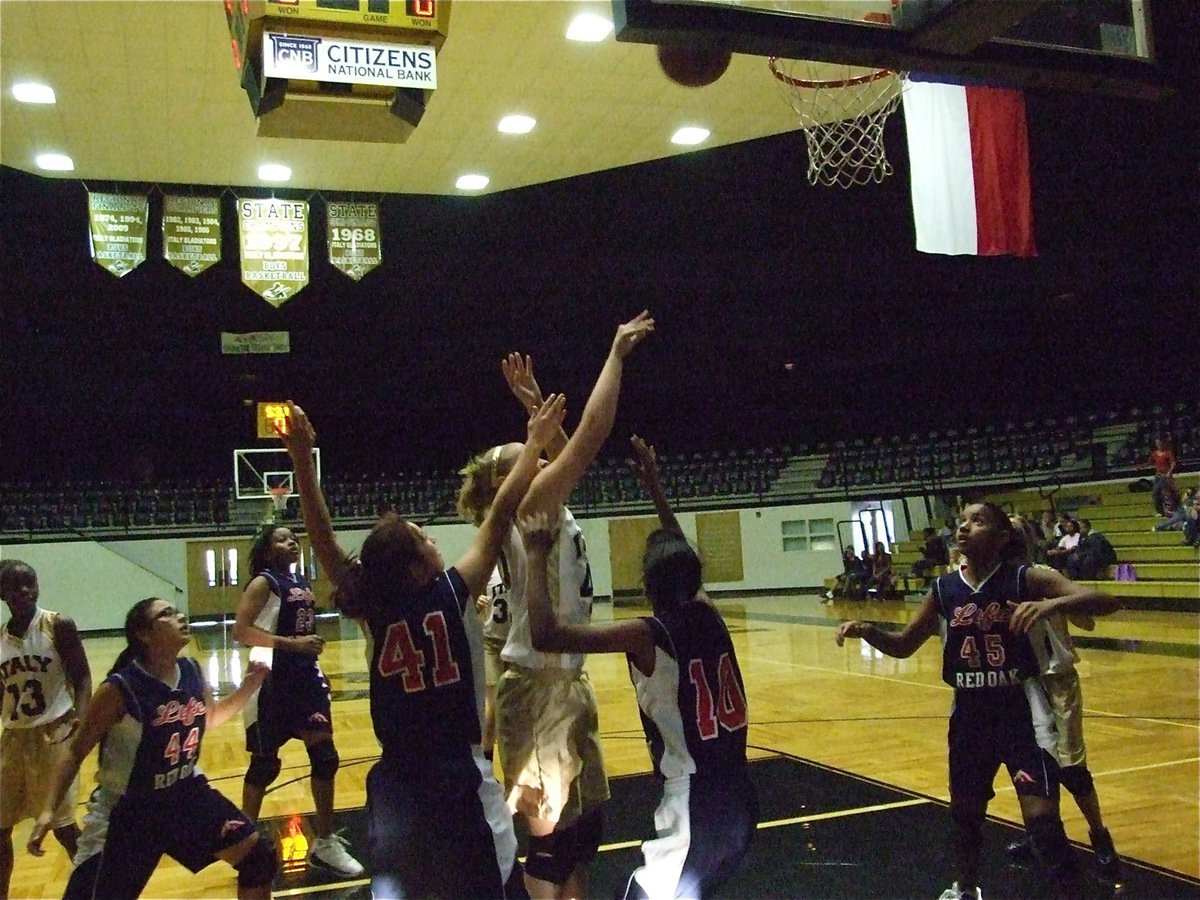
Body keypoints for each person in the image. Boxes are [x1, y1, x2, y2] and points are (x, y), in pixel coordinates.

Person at [281, 395, 565, 899]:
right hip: (459, 777)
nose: (435, 540)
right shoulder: (453, 593)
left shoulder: (375, 606)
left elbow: (322, 539)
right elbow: (500, 515)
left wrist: (302, 459)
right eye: (424, 538)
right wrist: (535, 446)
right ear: (418, 567)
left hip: (398, 787)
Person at [835, 502, 1120, 900]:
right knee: (965, 820)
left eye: (978, 521)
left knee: (1043, 825)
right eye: (963, 521)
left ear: (1003, 537)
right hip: (970, 716)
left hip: (1021, 713)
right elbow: (903, 646)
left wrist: (1051, 604)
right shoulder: (943, 588)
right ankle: (965, 889)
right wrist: (867, 630)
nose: (964, 527)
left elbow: (1106, 600)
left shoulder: (1026, 577)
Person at [520, 434, 756, 899]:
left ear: (648, 587)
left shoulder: (646, 636)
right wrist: (656, 490)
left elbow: (545, 635)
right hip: (739, 799)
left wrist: (534, 553)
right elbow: (685, 560)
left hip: (695, 807)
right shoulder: (709, 611)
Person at [474, 313, 654, 900]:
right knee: (549, 843)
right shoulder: (530, 504)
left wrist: (534, 408)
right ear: (513, 478)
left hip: (566, 682)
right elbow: (590, 437)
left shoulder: (544, 500)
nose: (541, 452)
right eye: (525, 451)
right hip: (537, 686)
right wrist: (616, 354)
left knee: (583, 834)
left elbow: (565, 447)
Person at [27, 597, 276, 900]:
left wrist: (249, 686)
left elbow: (210, 717)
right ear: (144, 634)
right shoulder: (121, 688)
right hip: (129, 812)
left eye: (177, 611)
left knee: (259, 858)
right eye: (167, 614)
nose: (181, 616)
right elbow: (75, 752)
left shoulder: (190, 670)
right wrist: (48, 811)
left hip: (185, 795)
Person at [232, 524, 364, 877]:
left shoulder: (301, 581)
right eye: (282, 539)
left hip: (305, 678)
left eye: (294, 538)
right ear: (267, 548)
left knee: (325, 756)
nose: (292, 542)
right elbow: (241, 631)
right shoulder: (264, 583)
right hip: (270, 680)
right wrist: (292, 644)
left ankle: (324, 841)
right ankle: (245, 842)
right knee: (265, 765)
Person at [1004, 517, 1122, 881]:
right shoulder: (993, 579)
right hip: (1021, 683)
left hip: (1057, 679)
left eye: (1016, 526)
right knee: (1036, 765)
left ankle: (1100, 837)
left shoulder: (1042, 575)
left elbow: (1089, 619)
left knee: (1072, 767)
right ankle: (1043, 834)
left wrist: (1053, 604)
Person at [1, 560, 92, 900]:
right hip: (14, 736)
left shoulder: (57, 625)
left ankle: (99, 886)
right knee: (0, 830)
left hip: (55, 732)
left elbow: (82, 677)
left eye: (30, 583)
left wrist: (83, 717)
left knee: (64, 828)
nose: (25, 591)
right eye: (15, 586)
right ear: (2, 593)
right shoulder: (0, 640)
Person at [1148, 435, 1177, 515]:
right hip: (1158, 475)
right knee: (1155, 494)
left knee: (1167, 493)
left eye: (1160, 443)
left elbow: (1173, 463)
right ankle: (1160, 511)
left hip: (1165, 476)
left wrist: (1169, 472)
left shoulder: (1168, 453)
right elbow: (1150, 462)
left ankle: (1172, 509)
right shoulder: (1154, 453)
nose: (1158, 445)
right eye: (1157, 443)